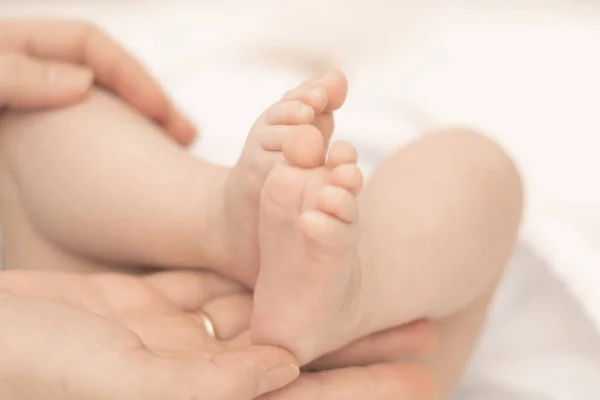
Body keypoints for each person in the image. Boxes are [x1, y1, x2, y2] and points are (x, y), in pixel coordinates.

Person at [0, 48, 522, 400]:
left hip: (98, 311)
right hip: (345, 347)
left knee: (26, 124)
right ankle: (352, 293)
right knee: (476, 169)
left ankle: (218, 221)